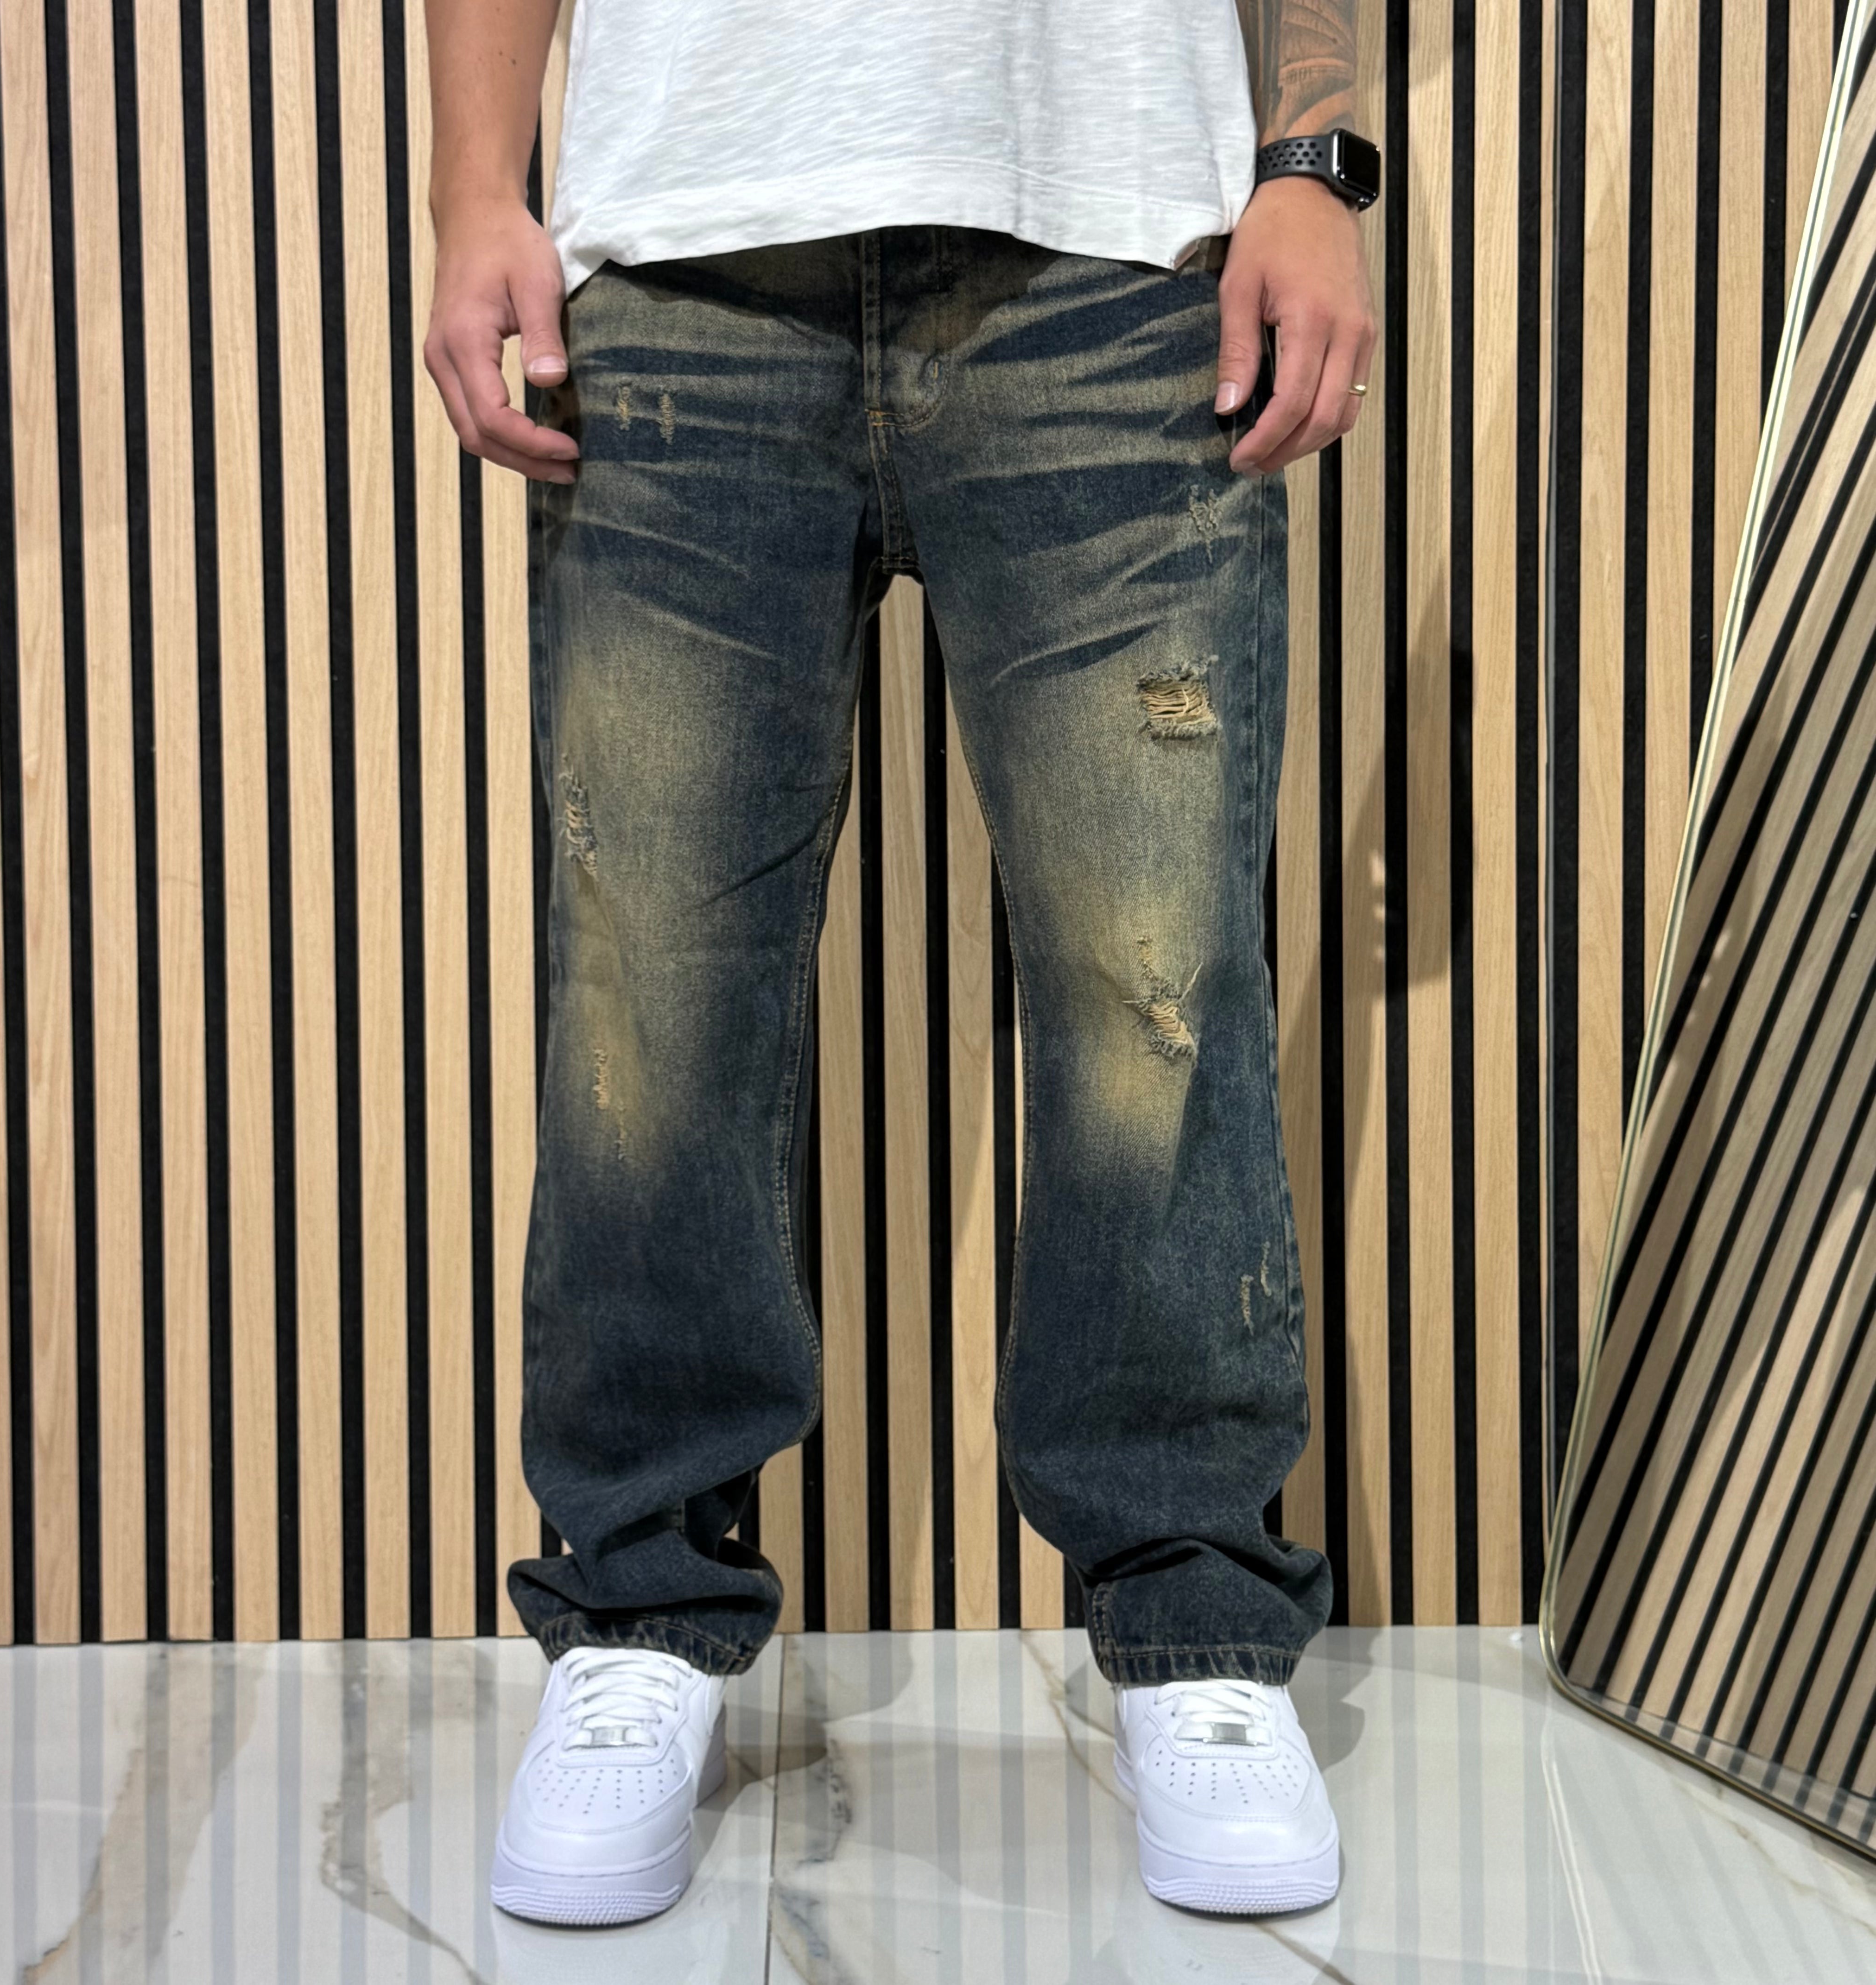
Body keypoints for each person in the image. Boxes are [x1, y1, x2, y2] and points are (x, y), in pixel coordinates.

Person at [423, 0, 1378, 1928]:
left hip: (1113, 243)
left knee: (1151, 986)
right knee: (651, 1001)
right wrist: (470, 191)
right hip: (682, 255)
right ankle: (639, 1616)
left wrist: (1316, 167)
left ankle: (1192, 1622)